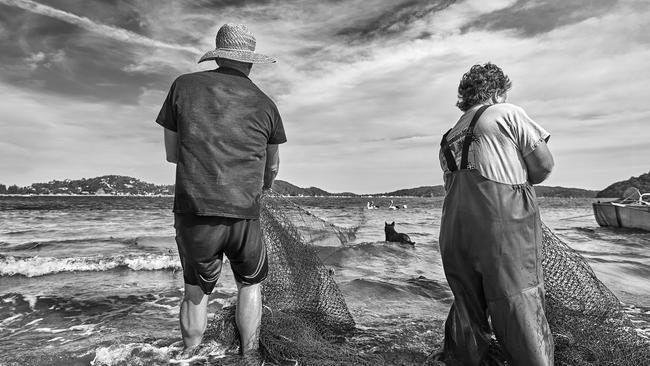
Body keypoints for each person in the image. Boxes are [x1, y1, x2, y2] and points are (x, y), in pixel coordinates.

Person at [156, 23, 287, 365]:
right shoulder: (266, 103)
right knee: (250, 286)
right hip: (245, 213)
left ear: (219, 54)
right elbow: (271, 167)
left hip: (196, 209)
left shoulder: (183, 86)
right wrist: (264, 187)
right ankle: (250, 355)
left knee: (195, 292)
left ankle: (188, 356)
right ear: (251, 62)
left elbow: (172, 154)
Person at [435, 63, 555, 365]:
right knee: (519, 305)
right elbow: (543, 168)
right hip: (500, 229)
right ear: (497, 91)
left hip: (454, 233)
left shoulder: (448, 137)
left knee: (467, 311)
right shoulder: (506, 113)